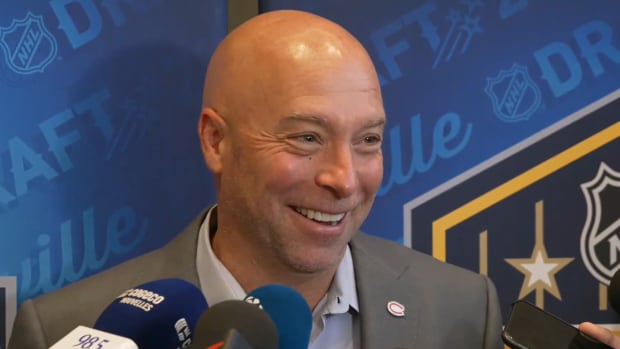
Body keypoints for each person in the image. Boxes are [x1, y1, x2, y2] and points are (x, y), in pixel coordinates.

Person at [6, 9, 614, 349]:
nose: (345, 179)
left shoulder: (462, 310)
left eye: (368, 139)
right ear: (216, 141)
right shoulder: (70, 329)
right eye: (305, 137)